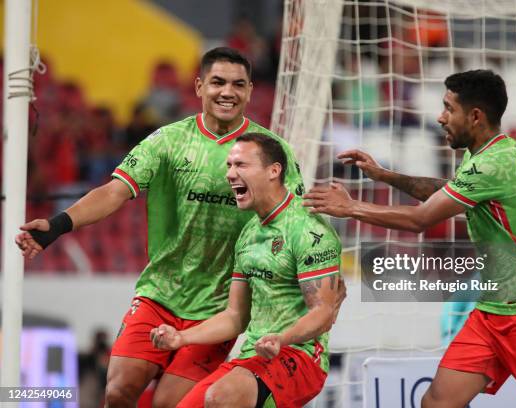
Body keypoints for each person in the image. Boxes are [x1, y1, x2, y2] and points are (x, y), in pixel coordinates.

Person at [15, 47, 307, 408]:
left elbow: (294, 219)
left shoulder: (272, 152)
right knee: (118, 391)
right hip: (159, 295)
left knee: (169, 404)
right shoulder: (167, 141)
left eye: (238, 84)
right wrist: (57, 225)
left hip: (219, 308)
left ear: (249, 91)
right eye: (217, 82)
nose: (227, 92)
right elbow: (115, 191)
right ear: (199, 86)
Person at [303, 70, 516, 408]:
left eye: (449, 108)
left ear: (475, 116)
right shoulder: (488, 153)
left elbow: (421, 219)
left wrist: (351, 207)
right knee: (437, 402)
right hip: (492, 310)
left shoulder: (493, 164)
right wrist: (383, 175)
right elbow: (441, 193)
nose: (441, 117)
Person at [151, 133, 343, 407]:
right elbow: (235, 316)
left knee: (220, 397)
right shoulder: (249, 233)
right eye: (229, 165)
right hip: (253, 355)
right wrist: (181, 338)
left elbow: (323, 313)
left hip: (300, 356)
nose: (230, 174)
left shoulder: (309, 229)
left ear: (273, 171)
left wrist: (281, 338)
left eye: (241, 165)